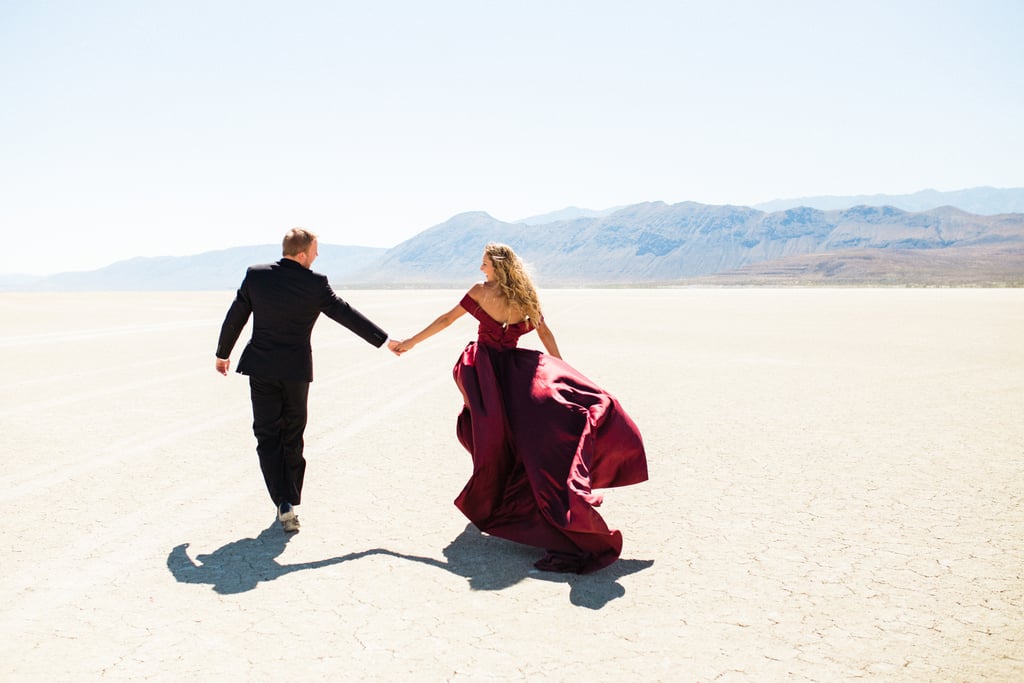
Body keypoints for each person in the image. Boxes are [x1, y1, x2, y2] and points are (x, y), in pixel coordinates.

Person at [393, 243, 648, 573]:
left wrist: (410, 343)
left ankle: (502, 503)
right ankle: (514, 501)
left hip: (486, 376)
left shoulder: (481, 292)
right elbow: (544, 332)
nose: (481, 269)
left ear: (498, 267)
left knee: (494, 440)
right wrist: (563, 370)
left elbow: (446, 320)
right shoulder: (526, 296)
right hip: (517, 375)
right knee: (519, 442)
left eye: (484, 264)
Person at [215, 228, 400, 532]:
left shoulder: (255, 276)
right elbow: (346, 314)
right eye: (315, 250)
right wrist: (385, 340)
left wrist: (223, 354)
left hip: (261, 368)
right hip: (295, 372)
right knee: (292, 433)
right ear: (302, 255)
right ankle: (289, 497)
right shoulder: (315, 284)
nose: (317, 256)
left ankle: (281, 500)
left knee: (266, 433)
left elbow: (236, 315)